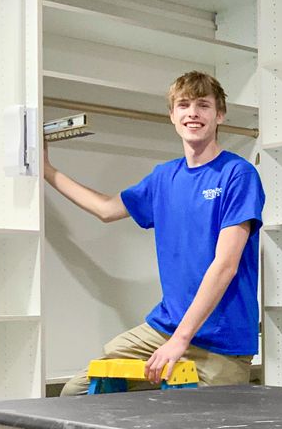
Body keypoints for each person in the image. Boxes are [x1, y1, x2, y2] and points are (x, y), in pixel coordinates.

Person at [45, 71, 265, 395]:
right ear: (172, 116)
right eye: (184, 105)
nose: (193, 113)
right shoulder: (164, 178)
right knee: (77, 394)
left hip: (221, 343)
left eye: (203, 105)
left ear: (220, 115)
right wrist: (47, 171)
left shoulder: (238, 174)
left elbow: (225, 265)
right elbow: (106, 209)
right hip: (164, 330)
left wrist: (181, 340)